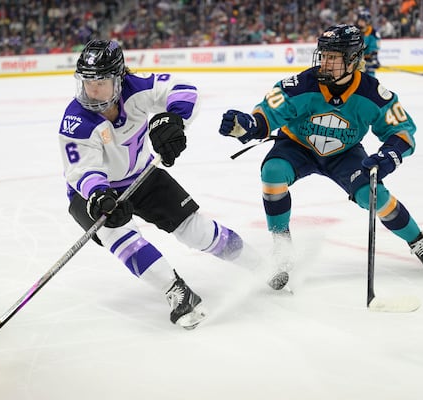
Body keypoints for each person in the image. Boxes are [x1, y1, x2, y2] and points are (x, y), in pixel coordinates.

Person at [58, 39, 283, 330]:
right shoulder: (76, 120)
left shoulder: (136, 89)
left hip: (142, 176)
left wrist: (173, 120)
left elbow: (185, 90)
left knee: (197, 230)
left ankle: (261, 265)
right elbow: (82, 170)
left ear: (119, 78)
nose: (92, 89)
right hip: (93, 193)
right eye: (87, 81)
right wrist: (100, 196)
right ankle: (176, 291)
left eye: (101, 81)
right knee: (119, 235)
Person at [218, 24, 423, 285]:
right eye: (323, 55)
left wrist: (388, 156)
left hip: (344, 154)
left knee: (373, 194)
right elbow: (269, 112)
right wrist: (250, 124)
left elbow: (402, 131)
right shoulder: (302, 84)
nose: (325, 62)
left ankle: (417, 240)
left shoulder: (372, 93)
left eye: (333, 57)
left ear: (353, 60)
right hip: (297, 146)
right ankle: (281, 243)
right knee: (273, 172)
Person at [356, 10, 381, 76]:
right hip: (357, 60)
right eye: (359, 20)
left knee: (370, 78)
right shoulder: (355, 31)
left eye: (362, 20)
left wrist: (374, 57)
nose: (360, 22)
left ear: (367, 21)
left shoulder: (373, 33)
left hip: (368, 60)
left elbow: (374, 46)